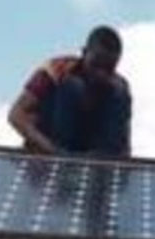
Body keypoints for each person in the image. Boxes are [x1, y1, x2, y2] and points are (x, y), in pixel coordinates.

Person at [8, 25, 132, 157]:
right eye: (95, 64)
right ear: (84, 52)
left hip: (92, 150)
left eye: (108, 68)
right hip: (54, 143)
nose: (100, 74)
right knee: (72, 85)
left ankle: (104, 158)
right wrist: (51, 150)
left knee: (119, 93)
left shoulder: (118, 87)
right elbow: (16, 115)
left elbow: (124, 145)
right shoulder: (55, 69)